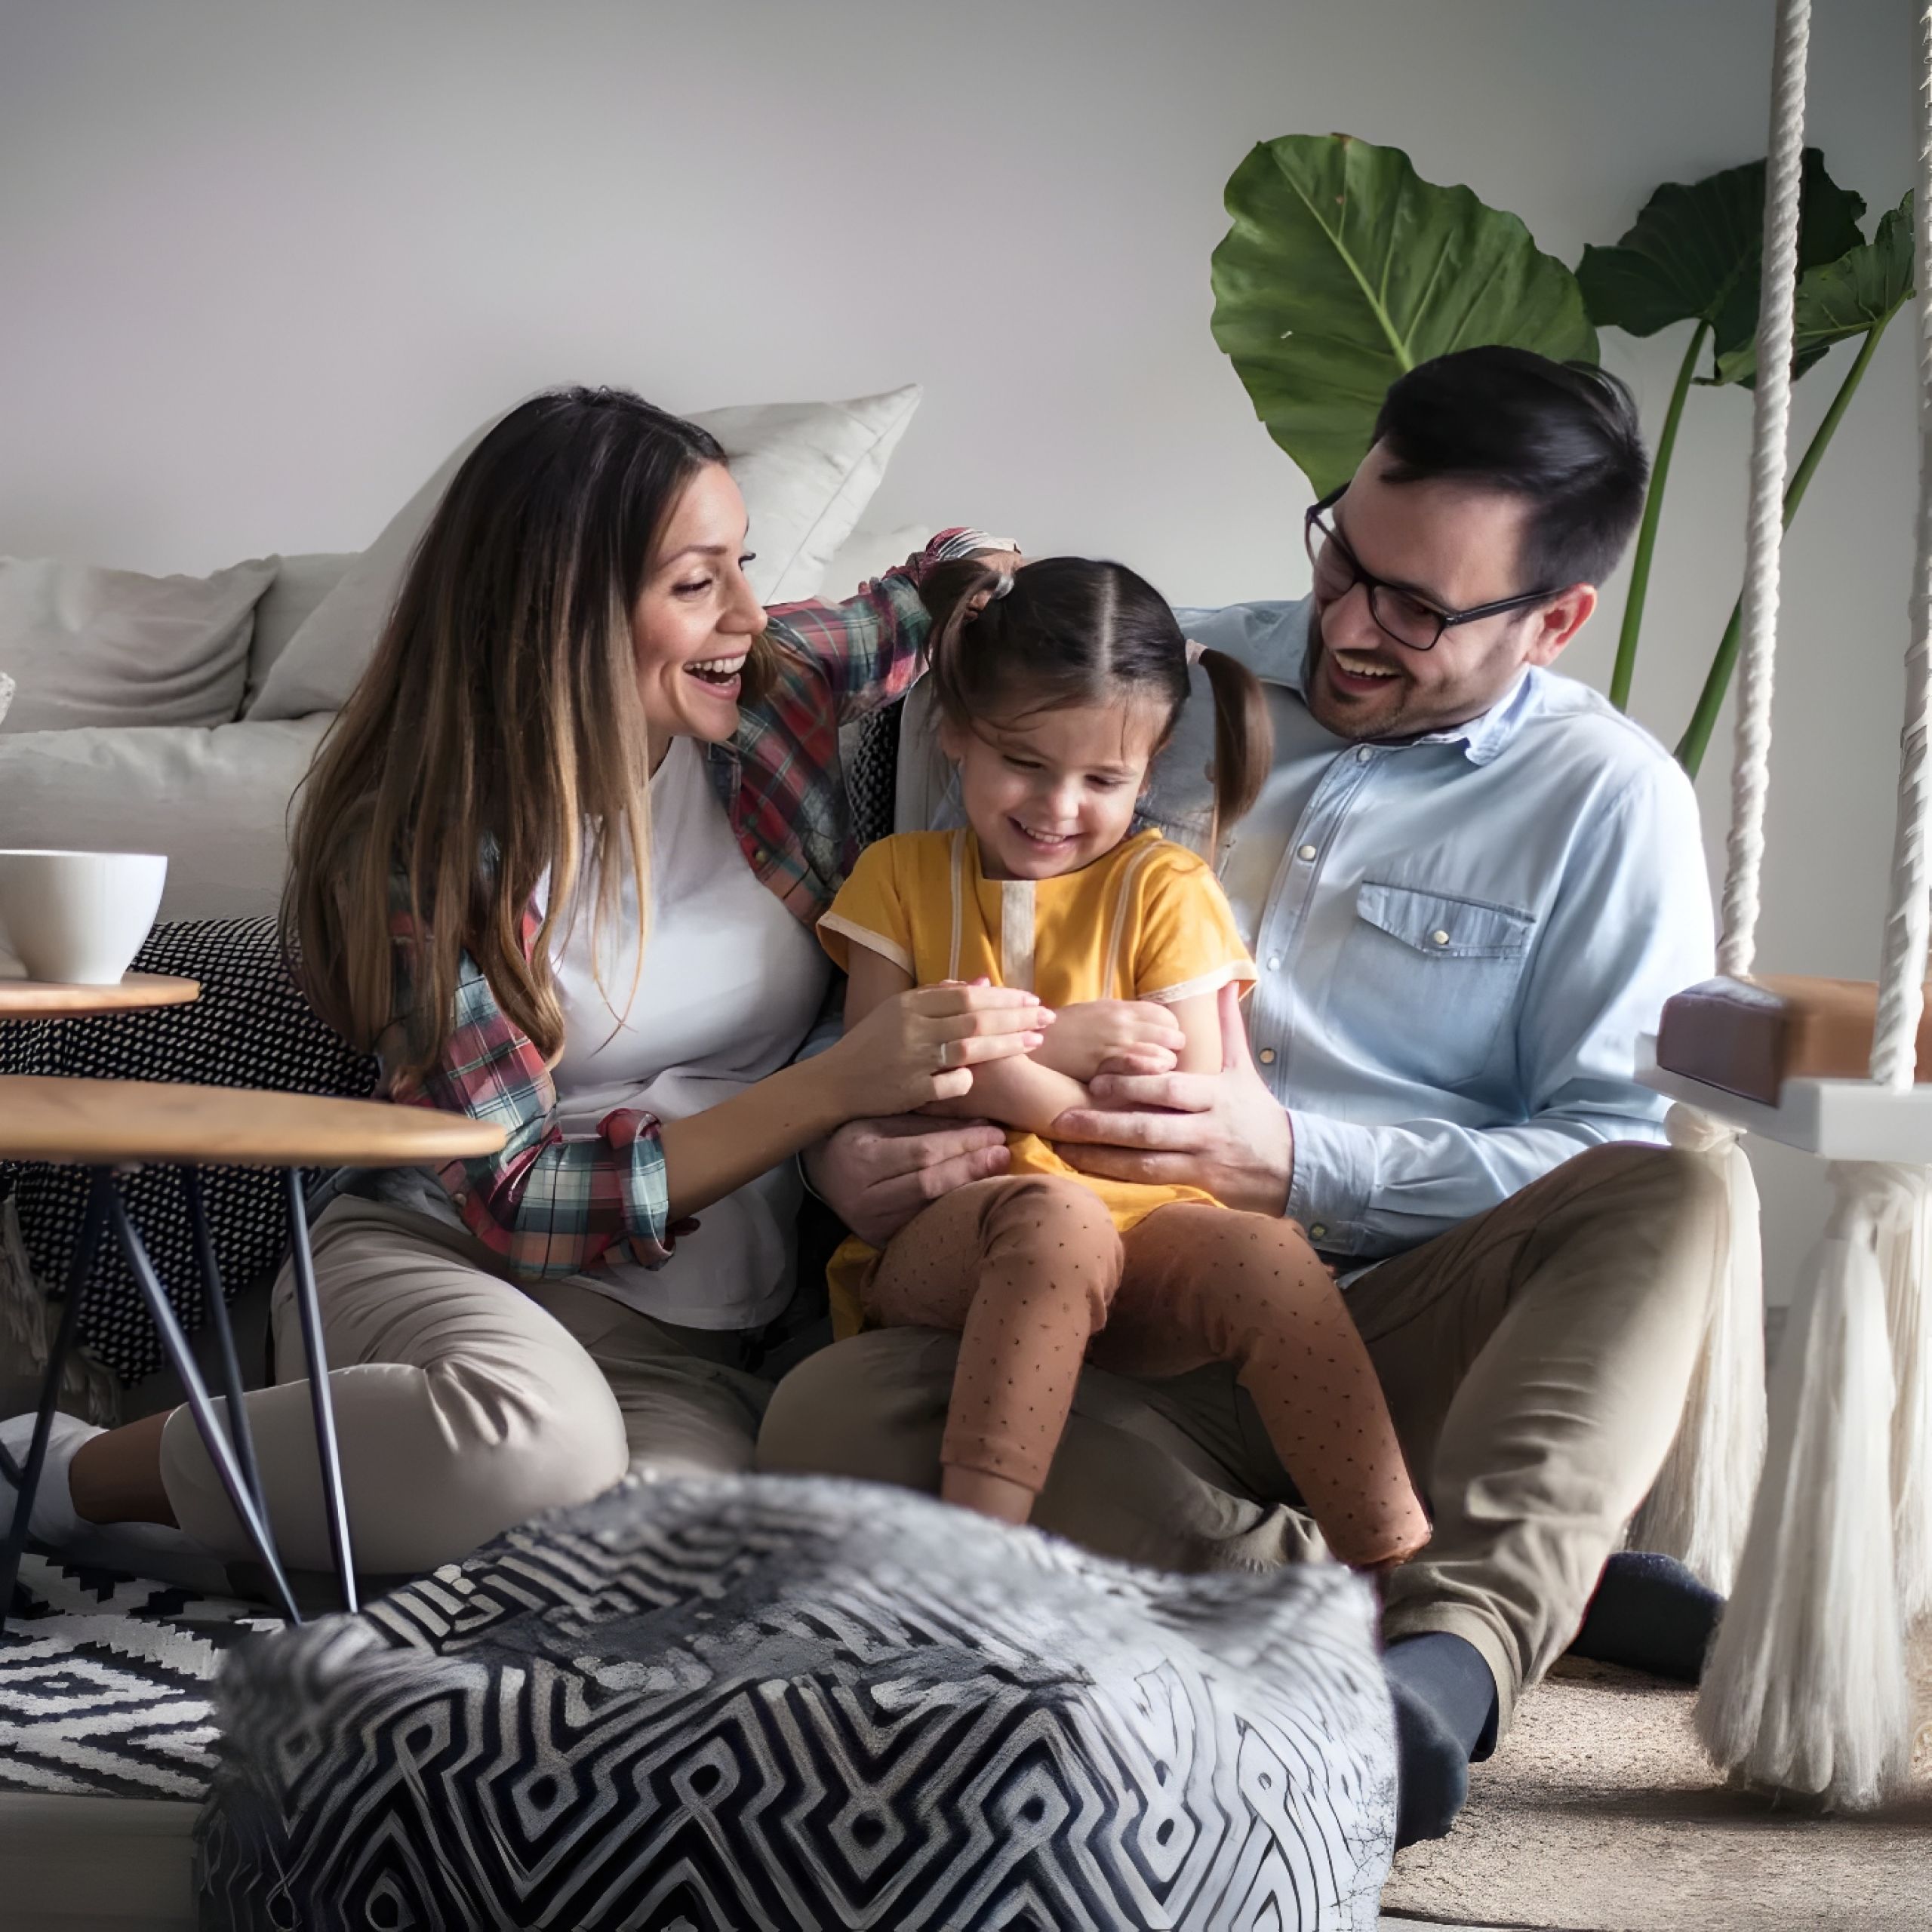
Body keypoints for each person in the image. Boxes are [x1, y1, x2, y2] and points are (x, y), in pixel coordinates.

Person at [758, 346, 1726, 1845]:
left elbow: (1596, 1145)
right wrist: (849, 1159)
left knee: (1676, 1191)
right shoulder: (1135, 687)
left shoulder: (1610, 802)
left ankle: (1446, 1671)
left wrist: (1302, 1161)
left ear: (1554, 617)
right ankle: (1444, 1583)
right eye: (1344, 550)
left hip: (1384, 1315)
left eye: (1414, 606)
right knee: (829, 1411)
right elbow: (904, 1002)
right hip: (1087, 1323)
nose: (1347, 623)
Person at [0, 385, 1038, 1583]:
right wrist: (832, 1091)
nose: (748, 612)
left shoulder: (770, 692)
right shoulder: (429, 844)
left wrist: (992, 583)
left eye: (741, 566)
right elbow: (518, 1192)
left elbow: (938, 585)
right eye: (697, 582)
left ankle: (265, 1527)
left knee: (664, 1577)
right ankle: (65, 1475)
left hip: (687, 1341)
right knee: (530, 1448)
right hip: (446, 1267)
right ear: (566, 609)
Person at [817, 552, 1429, 1567]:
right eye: (1026, 762)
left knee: (1272, 1259)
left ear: (1150, 771)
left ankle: (1401, 1576)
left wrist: (985, 1046)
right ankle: (970, 1575)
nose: (1060, 807)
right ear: (957, 733)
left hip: (1145, 1240)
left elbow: (1173, 1108)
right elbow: (884, 1073)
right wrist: (1060, 1050)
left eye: (1103, 779)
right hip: (955, 1243)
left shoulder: (1165, 886)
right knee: (1052, 1219)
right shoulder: (899, 877)